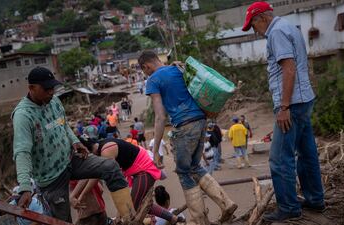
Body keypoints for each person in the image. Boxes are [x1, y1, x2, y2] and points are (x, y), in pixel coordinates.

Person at [12, 67, 136, 223]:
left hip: (71, 160)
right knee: (63, 220)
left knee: (110, 167)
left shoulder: (54, 101)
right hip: (51, 178)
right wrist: (25, 187)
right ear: (32, 88)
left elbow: (63, 125)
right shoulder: (23, 116)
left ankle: (130, 217)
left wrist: (75, 142)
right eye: (46, 89)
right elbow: (22, 152)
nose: (51, 92)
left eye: (52, 88)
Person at [242, 2, 325, 222]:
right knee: (307, 153)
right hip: (304, 100)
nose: (254, 31)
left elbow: (288, 68)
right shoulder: (288, 27)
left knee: (279, 159)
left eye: (253, 25)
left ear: (262, 18)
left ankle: (288, 207)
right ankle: (316, 199)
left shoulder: (276, 33)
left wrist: (284, 107)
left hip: (292, 104)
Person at [139, 50, 237, 224]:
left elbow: (160, 117)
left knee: (184, 172)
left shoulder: (153, 80)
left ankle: (199, 220)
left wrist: (155, 152)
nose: (146, 74)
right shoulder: (178, 68)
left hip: (184, 126)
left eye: (144, 71)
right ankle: (226, 203)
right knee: (194, 167)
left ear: (146, 66)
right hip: (200, 121)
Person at [79, 137, 184, 224]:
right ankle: (173, 218)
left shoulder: (106, 151)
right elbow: (93, 174)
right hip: (139, 172)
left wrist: (81, 195)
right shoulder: (102, 146)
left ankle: (171, 218)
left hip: (143, 170)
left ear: (86, 151)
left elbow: (97, 175)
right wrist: (79, 195)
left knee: (131, 208)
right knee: (142, 204)